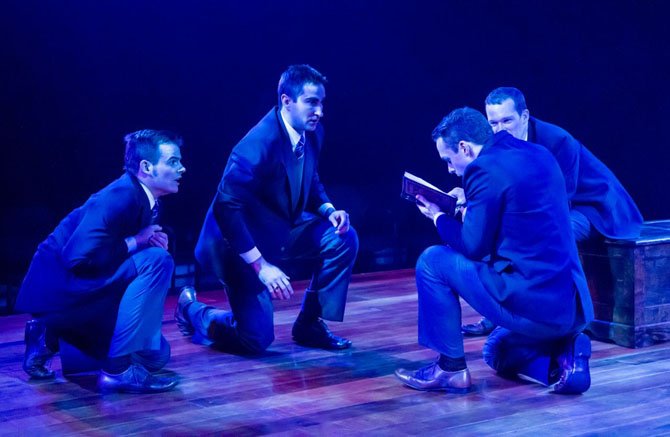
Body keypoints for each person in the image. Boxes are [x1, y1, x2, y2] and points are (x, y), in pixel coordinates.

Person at [394, 107, 594, 394]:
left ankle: (450, 369)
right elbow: (519, 214)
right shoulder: (537, 153)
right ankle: (564, 360)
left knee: (432, 260)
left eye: (449, 160)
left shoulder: (482, 168)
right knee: (495, 351)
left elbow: (474, 247)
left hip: (534, 304)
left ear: (464, 147)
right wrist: (471, 204)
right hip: (571, 306)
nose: (450, 170)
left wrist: (438, 216)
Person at [175, 64, 359, 354]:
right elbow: (226, 208)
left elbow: (309, 179)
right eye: (312, 102)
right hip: (236, 244)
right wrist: (261, 266)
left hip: (280, 229)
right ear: (286, 101)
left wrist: (327, 209)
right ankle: (192, 311)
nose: (320, 111)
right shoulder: (257, 145)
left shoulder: (313, 132)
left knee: (343, 237)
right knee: (255, 340)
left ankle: (310, 324)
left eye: (321, 103)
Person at [462, 86, 643, 336]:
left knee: (539, 229)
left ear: (524, 117)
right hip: (557, 207)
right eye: (493, 123)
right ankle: (500, 309)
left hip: (593, 208)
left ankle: (563, 313)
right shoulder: (499, 147)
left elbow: (558, 202)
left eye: (507, 121)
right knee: (498, 225)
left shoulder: (557, 141)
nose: (499, 130)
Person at [15, 129, 186, 393]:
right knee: (157, 261)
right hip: (63, 291)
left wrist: (141, 242)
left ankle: (49, 337)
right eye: (173, 161)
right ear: (147, 167)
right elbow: (76, 258)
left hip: (87, 289)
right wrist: (137, 243)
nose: (182, 168)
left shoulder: (144, 198)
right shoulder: (119, 196)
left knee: (156, 356)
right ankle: (117, 371)